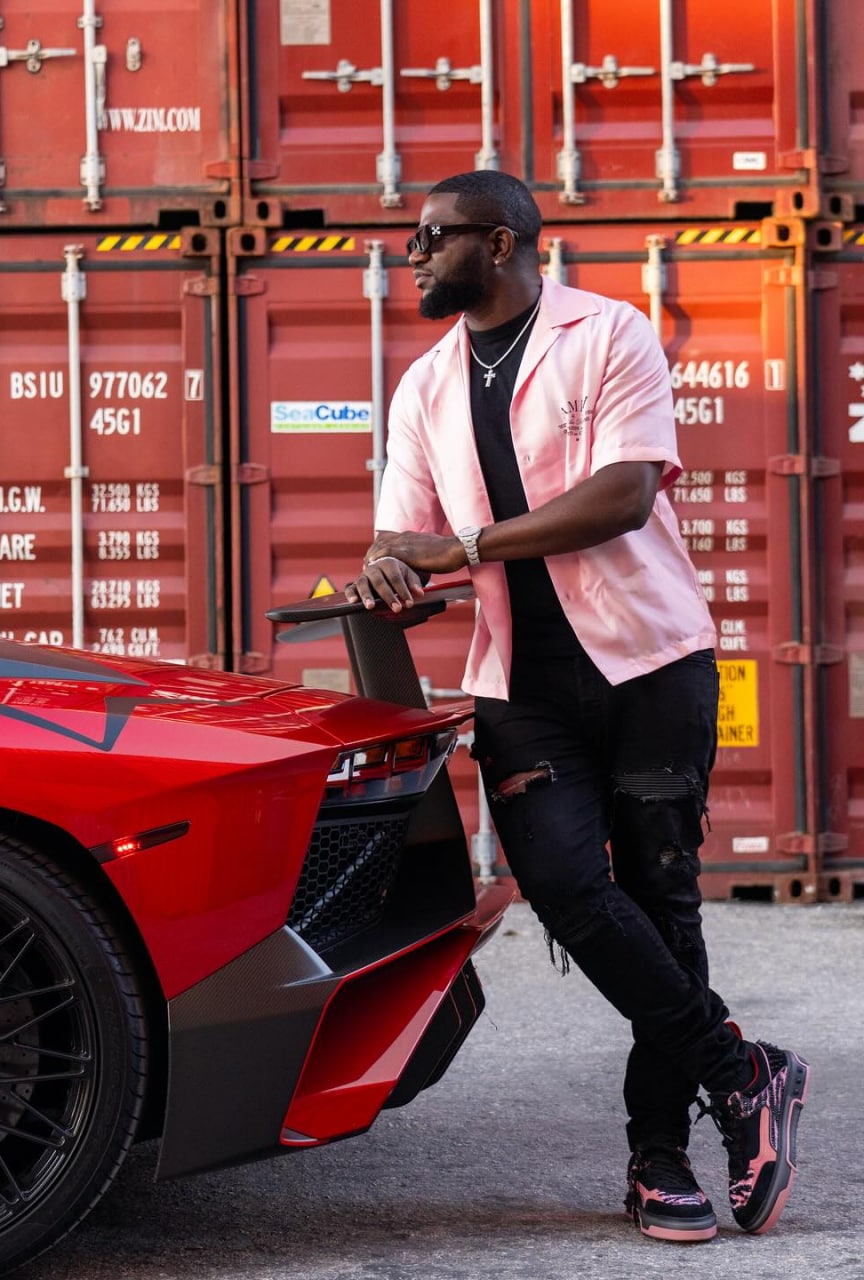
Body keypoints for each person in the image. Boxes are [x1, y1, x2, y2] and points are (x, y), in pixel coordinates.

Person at [345, 170, 809, 1243]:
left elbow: (622, 493)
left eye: (429, 238)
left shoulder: (607, 335)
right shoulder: (421, 387)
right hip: (522, 685)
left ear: (497, 241)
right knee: (561, 885)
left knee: (658, 900)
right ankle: (739, 1071)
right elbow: (400, 536)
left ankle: (657, 1157)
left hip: (648, 666)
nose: (409, 255)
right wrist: (390, 578)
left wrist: (450, 550)